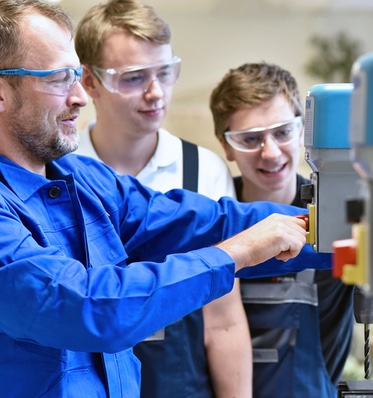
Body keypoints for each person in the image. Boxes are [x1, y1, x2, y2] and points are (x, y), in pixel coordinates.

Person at [0, 1, 332, 396]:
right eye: (57, 79)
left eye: (75, 75)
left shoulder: (84, 180)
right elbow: (89, 308)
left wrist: (347, 233)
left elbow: (207, 223)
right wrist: (235, 254)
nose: (79, 97)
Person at [74, 1, 252, 397]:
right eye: (135, 77)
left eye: (165, 72)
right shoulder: (59, 173)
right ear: (88, 82)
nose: (156, 93)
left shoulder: (202, 170)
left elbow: (223, 321)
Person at [209, 62, 354, 398]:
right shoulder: (205, 221)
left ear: (303, 130)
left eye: (282, 132)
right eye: (250, 138)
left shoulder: (340, 217)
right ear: (226, 146)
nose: (270, 151)